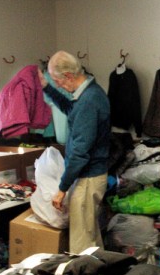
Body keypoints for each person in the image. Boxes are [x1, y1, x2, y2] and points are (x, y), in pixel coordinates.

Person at [40, 51, 110, 254]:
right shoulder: (88, 94)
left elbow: (80, 152)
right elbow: (72, 110)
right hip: (91, 175)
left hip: (88, 178)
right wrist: (47, 89)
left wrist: (62, 188)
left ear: (68, 76)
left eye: (57, 81)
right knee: (90, 235)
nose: (58, 85)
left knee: (81, 245)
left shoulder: (89, 101)